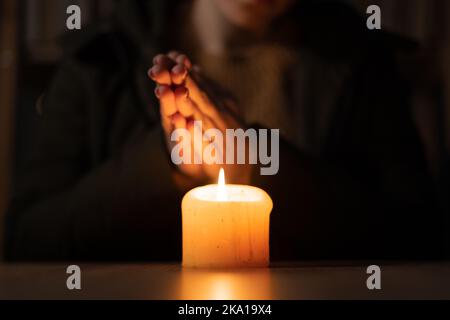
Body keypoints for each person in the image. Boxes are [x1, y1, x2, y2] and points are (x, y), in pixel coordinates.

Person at [5, 0, 443, 261]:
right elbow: (26, 239)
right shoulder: (102, 56)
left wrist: (254, 164)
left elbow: (418, 238)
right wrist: (168, 165)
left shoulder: (359, 60)